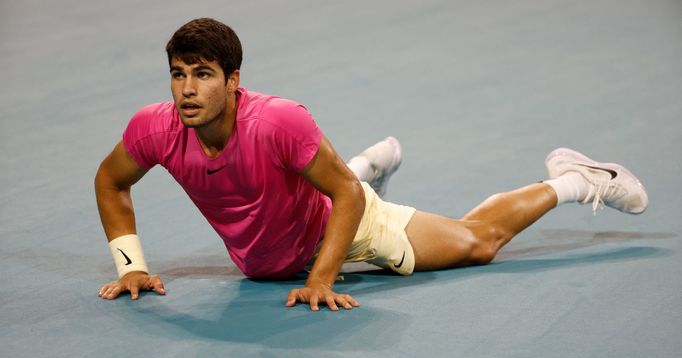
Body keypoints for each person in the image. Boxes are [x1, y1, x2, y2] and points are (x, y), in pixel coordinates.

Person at [95, 18, 649, 311]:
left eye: (203, 74)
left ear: (234, 80)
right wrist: (131, 267)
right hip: (272, 251)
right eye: (178, 73)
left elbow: (347, 200)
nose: (187, 90)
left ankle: (575, 179)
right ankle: (361, 164)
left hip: (347, 226)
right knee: (333, 179)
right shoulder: (155, 127)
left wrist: (320, 278)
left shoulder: (279, 121)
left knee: (478, 242)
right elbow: (111, 181)